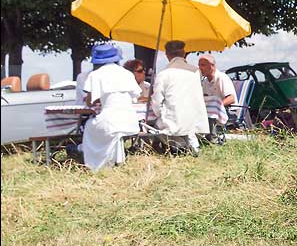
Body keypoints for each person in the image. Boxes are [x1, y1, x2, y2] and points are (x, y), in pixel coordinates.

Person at [77, 43, 141, 171]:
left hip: (110, 121)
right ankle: (114, 159)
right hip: (130, 121)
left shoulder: (95, 75)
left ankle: (95, 164)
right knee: (105, 128)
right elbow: (135, 96)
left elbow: (89, 102)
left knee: (89, 127)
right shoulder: (127, 74)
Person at [150, 40, 208, 154]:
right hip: (195, 120)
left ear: (167, 55)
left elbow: (156, 103)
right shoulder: (196, 71)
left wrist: (159, 114)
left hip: (173, 122)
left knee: (154, 123)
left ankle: (157, 149)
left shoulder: (164, 74)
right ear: (184, 53)